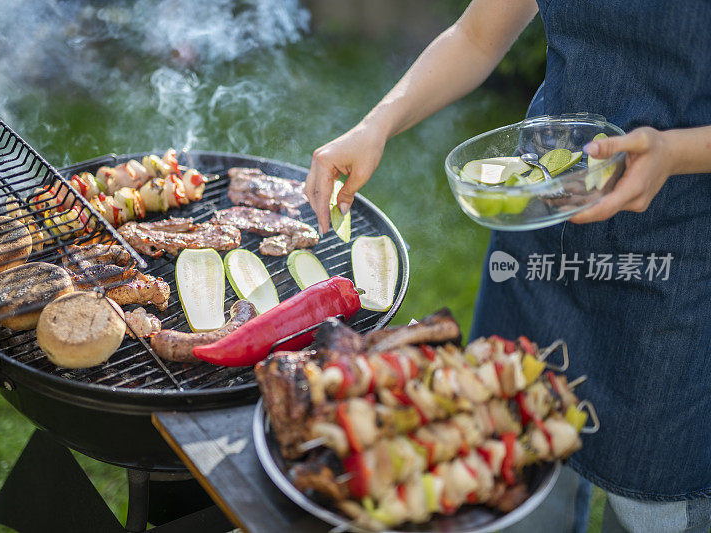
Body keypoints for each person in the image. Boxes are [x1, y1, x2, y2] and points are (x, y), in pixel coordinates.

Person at [304, 1, 711, 531]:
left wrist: (674, 152)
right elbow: (476, 36)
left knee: (650, 512)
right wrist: (375, 125)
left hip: (674, 269)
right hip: (539, 231)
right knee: (503, 472)